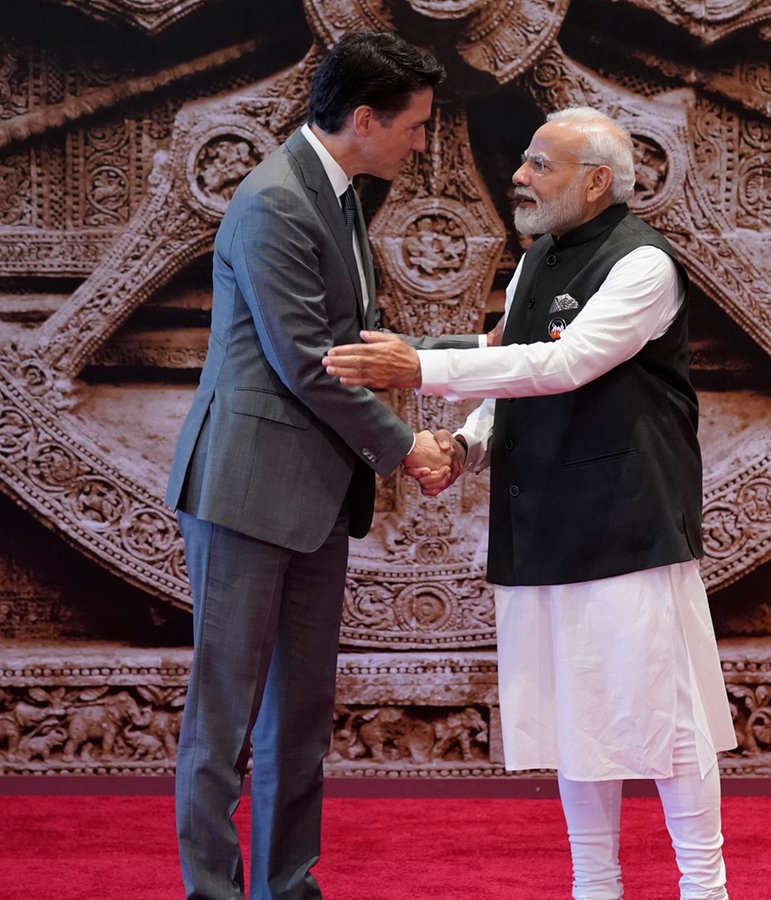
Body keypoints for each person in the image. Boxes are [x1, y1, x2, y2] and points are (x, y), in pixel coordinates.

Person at [323, 107, 737, 899]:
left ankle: (704, 888)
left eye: (540, 164)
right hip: (541, 517)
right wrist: (468, 445)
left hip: (628, 524)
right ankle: (594, 888)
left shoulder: (644, 264)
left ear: (595, 182)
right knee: (573, 720)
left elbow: (568, 363)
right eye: (525, 160)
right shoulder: (537, 260)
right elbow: (517, 374)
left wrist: (421, 371)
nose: (519, 175)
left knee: (665, 718)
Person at [166, 31, 472, 900]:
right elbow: (308, 361)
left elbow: (355, 346)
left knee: (299, 721)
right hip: (244, 491)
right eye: (413, 126)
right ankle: (214, 893)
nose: (420, 144)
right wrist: (409, 446)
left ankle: (287, 887)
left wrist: (471, 352)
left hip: (312, 498)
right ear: (365, 117)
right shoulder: (275, 201)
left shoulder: (330, 192)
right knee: (222, 721)